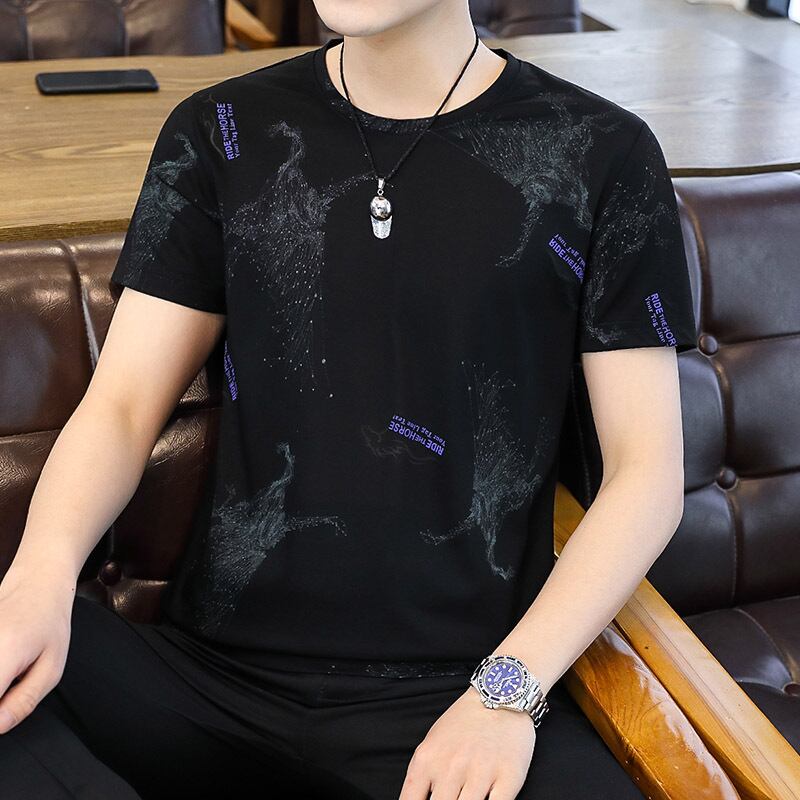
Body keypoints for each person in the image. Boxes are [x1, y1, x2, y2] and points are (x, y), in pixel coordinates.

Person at [0, 1, 698, 798]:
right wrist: (40, 575)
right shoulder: (221, 129)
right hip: (207, 681)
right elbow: (123, 406)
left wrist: (507, 693)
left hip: (455, 693)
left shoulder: (604, 153)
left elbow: (646, 476)